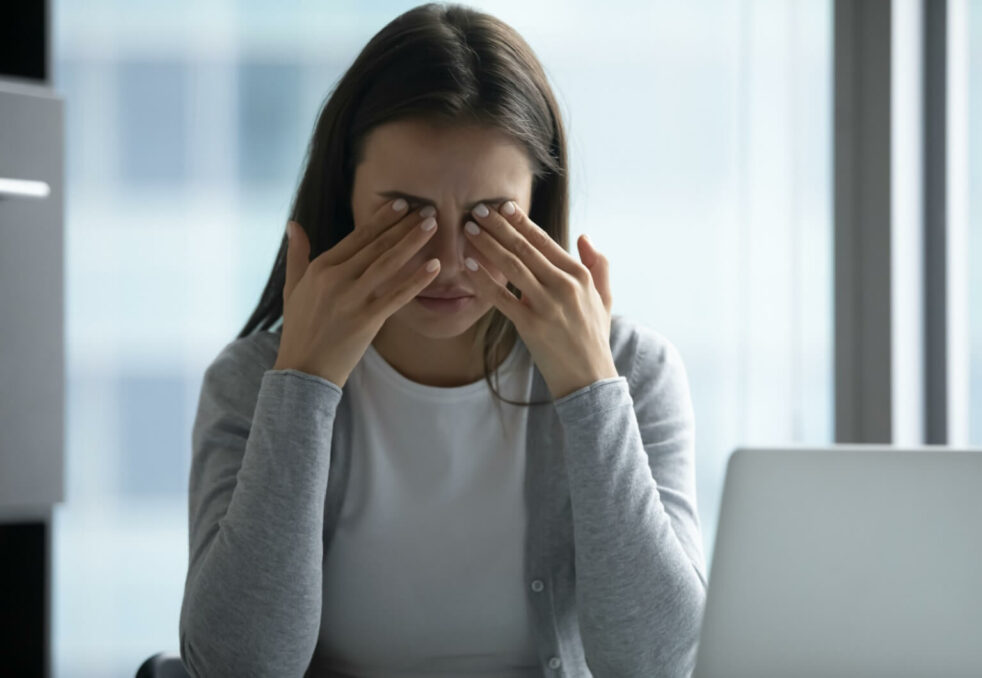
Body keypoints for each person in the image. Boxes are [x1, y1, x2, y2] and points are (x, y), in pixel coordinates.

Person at [178, 3, 707, 676]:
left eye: (490, 217)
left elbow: (655, 663)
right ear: (345, 200)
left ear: (538, 209)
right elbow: (235, 665)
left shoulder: (634, 370)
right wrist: (304, 384)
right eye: (406, 214)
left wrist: (589, 388)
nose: (450, 260)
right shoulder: (254, 381)